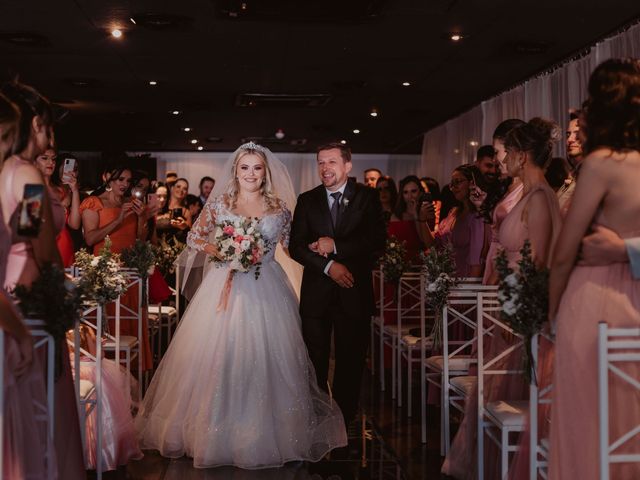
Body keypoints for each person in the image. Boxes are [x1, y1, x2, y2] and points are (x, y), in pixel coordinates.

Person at [136, 142, 347, 468]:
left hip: (267, 286)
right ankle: (214, 430)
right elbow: (194, 237)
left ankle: (269, 432)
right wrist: (220, 250)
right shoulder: (221, 204)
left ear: (265, 172)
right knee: (221, 354)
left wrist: (320, 252)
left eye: (257, 168)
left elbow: (289, 249)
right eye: (244, 167)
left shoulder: (279, 208)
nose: (250, 173)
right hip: (226, 285)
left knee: (269, 357)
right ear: (236, 171)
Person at [548, 58, 640, 480]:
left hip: (592, 300)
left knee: (585, 415)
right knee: (628, 416)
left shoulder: (601, 163)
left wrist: (550, 310)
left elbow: (565, 252)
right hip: (633, 300)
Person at [290, 142, 386, 425]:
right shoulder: (307, 200)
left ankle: (345, 421)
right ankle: (316, 417)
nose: (325, 168)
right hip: (316, 294)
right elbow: (296, 247)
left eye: (331, 162)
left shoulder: (367, 197)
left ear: (347, 165)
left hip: (353, 292)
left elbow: (376, 241)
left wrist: (336, 246)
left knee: (351, 361)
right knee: (314, 359)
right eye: (320, 162)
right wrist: (329, 265)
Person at [35, 149, 81, 267]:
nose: (51, 162)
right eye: (45, 158)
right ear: (34, 161)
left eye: (54, 159)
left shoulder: (61, 191)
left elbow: (74, 224)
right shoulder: (32, 189)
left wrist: (75, 190)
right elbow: (27, 229)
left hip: (63, 245)